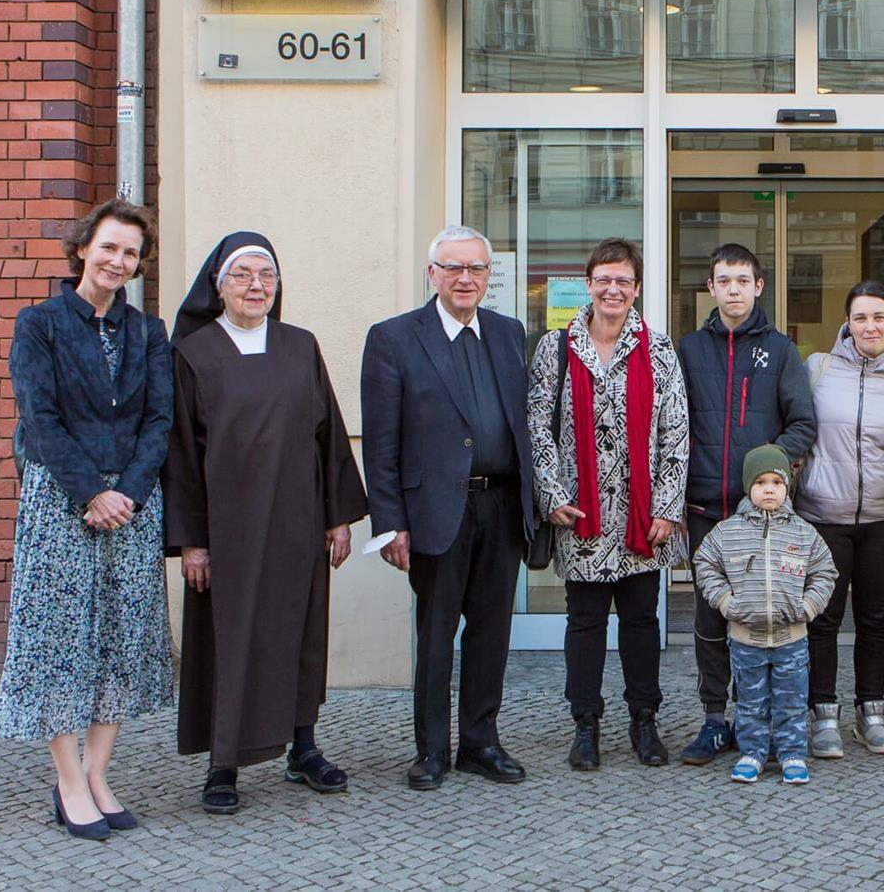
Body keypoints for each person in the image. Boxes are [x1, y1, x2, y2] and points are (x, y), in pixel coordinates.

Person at [164, 232, 369, 815]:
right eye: (243, 275)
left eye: (267, 277)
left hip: (297, 521)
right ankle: (223, 764)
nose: (257, 286)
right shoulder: (193, 354)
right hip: (227, 531)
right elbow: (179, 453)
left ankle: (302, 748)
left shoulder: (300, 346)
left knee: (299, 633)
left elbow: (328, 435)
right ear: (218, 285)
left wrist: (337, 519)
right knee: (230, 639)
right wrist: (193, 542)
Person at [0, 199, 174, 841]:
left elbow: (159, 421)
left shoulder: (149, 333)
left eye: (130, 253)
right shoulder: (39, 323)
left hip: (132, 506)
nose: (118, 261)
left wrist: (125, 492)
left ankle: (99, 774)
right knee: (60, 642)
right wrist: (90, 494)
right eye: (109, 248)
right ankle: (68, 782)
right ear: (82, 249)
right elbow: (39, 420)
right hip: (61, 501)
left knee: (119, 642)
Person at [360, 226, 538, 789]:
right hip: (436, 512)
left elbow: (525, 424)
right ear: (432, 273)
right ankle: (432, 749)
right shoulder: (394, 338)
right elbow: (381, 441)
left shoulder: (510, 334)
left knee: (491, 632)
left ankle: (481, 743)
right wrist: (390, 524)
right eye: (454, 268)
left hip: (502, 506)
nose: (466, 279)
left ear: (490, 277)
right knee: (437, 634)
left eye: (477, 269)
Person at [528, 239, 689, 771]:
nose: (613, 289)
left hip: (642, 518)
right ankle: (586, 724)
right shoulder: (556, 348)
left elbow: (676, 433)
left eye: (624, 280)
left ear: (637, 288)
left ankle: (645, 720)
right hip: (582, 516)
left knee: (642, 621)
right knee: (585, 622)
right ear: (588, 283)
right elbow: (539, 428)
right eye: (604, 279)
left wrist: (666, 506)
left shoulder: (660, 349)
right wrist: (552, 496)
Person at [675, 243, 817, 766]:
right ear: (710, 288)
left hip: (767, 520)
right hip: (706, 513)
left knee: (769, 621)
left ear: (759, 287)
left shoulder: (780, 350)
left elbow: (803, 423)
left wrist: (769, 474)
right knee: (712, 621)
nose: (732, 288)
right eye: (722, 280)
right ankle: (716, 720)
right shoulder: (687, 350)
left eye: (742, 279)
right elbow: (672, 426)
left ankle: (769, 724)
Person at [796, 280, 884, 758]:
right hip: (822, 514)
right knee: (823, 620)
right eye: (861, 317)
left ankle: (873, 712)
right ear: (847, 323)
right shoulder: (819, 369)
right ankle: (822, 712)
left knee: (876, 619)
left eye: (880, 316)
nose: (870, 325)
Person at [693, 446, 838, 785]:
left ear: (788, 487)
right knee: (750, 702)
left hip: (792, 640)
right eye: (760, 482)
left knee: (791, 701)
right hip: (746, 640)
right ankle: (752, 752)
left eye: (776, 481)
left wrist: (808, 607)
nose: (769, 489)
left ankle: (791, 754)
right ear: (748, 487)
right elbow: (704, 563)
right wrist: (726, 602)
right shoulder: (728, 532)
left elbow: (825, 572)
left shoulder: (803, 533)